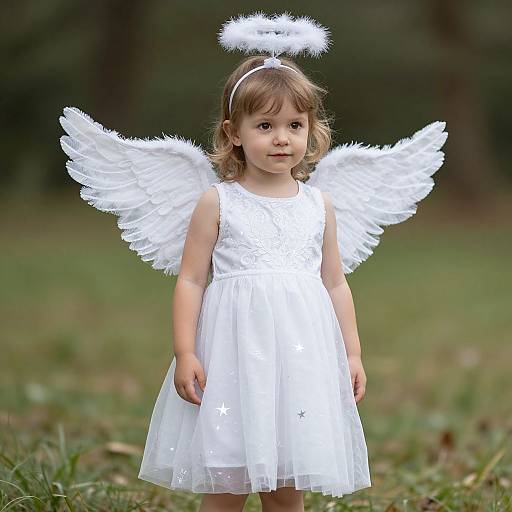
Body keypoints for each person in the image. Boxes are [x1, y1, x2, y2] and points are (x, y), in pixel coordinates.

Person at [59, 13, 446, 512]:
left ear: (312, 131)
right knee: (229, 473)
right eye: (265, 125)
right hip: (233, 354)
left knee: (289, 474)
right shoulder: (217, 202)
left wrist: (350, 353)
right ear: (233, 132)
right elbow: (192, 279)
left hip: (301, 357)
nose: (281, 138)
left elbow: (335, 283)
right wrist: (184, 351)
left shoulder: (318, 204)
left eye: (294, 125)